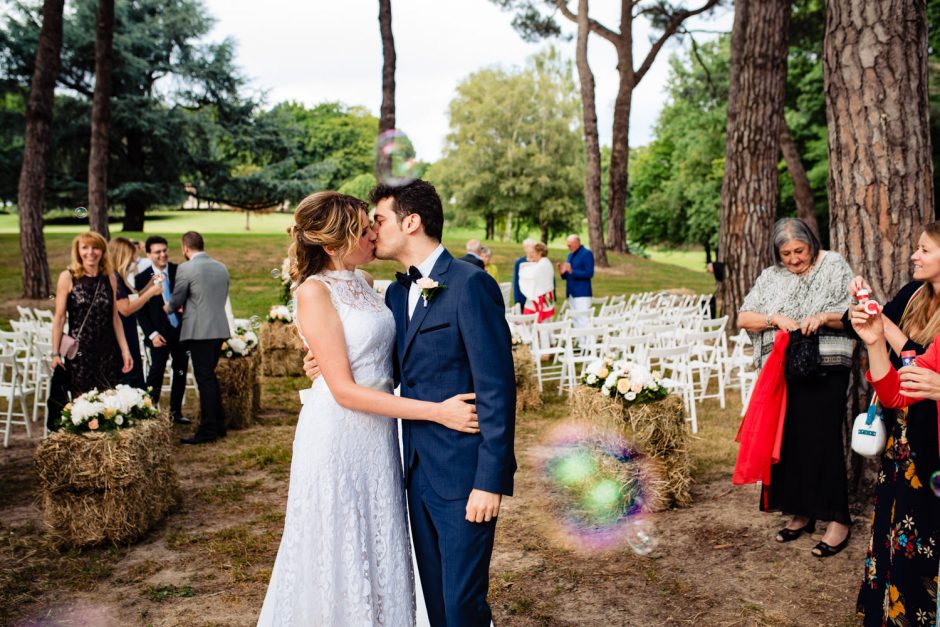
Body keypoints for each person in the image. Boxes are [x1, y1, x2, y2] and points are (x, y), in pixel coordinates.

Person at [257, 191, 484, 626]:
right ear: (332, 244)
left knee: (379, 537)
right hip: (338, 433)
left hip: (378, 436)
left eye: (373, 224)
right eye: (364, 229)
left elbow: (384, 356)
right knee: (341, 543)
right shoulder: (313, 292)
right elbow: (344, 390)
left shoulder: (365, 284)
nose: (373, 233)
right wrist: (436, 410)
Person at [302, 179, 516, 625]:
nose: (372, 231)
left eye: (378, 220)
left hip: (463, 474)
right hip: (411, 474)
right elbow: (391, 368)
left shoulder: (471, 285)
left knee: (462, 607)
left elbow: (497, 389)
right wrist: (327, 362)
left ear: (412, 222)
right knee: (434, 605)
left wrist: (490, 481)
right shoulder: (397, 294)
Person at [737, 217, 855, 557]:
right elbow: (745, 316)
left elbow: (852, 312)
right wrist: (775, 319)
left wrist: (824, 317)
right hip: (786, 369)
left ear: (812, 244)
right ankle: (802, 513)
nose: (793, 259)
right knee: (791, 442)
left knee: (824, 440)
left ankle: (838, 520)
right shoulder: (771, 277)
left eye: (799, 251)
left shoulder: (832, 265)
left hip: (828, 366)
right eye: (785, 253)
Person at [845, 223, 940, 626]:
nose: (914, 256)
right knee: (902, 533)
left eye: (924, 249)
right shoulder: (916, 296)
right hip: (909, 442)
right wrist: (873, 340)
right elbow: (898, 393)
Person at [48, 232, 134, 429]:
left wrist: (125, 350)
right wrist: (55, 353)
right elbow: (59, 317)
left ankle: (104, 449)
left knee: (107, 402)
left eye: (95, 247)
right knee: (83, 405)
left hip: (106, 351)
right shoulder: (68, 277)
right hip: (79, 353)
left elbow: (115, 318)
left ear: (102, 251)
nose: (90, 252)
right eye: (85, 248)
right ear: (78, 252)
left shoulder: (110, 278)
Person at [167, 231, 230, 444]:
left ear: (185, 248)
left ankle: (208, 429)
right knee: (209, 377)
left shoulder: (186, 268)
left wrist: (167, 307)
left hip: (199, 331)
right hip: (219, 329)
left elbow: (177, 300)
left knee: (204, 380)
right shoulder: (221, 267)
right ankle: (219, 423)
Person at [136, 235, 192, 425]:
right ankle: (149, 412)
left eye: (165, 250)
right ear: (148, 254)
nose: (162, 255)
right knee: (156, 371)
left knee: (181, 371)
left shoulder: (181, 271)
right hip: (158, 335)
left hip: (181, 332)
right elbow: (140, 312)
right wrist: (152, 334)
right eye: (157, 252)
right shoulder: (142, 279)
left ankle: (176, 412)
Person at [107, 237, 163, 389]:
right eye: (131, 256)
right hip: (122, 333)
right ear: (122, 256)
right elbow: (125, 309)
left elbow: (132, 299)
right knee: (129, 379)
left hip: (128, 332)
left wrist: (149, 285)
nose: (134, 260)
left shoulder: (120, 277)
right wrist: (150, 293)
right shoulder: (114, 278)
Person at [557, 234, 594, 328]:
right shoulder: (570, 255)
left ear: (577, 243)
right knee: (575, 319)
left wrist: (572, 271)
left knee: (583, 319)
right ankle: (581, 342)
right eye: (567, 245)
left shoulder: (586, 253)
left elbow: (589, 273)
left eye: (570, 245)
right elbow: (569, 273)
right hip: (571, 293)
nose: (568, 247)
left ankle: (588, 342)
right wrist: (563, 273)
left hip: (582, 293)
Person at [519, 242, 555, 323]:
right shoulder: (545, 263)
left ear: (540, 253)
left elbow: (526, 274)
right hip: (546, 299)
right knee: (544, 324)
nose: (532, 255)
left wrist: (526, 264)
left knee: (538, 325)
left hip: (540, 299)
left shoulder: (542, 265)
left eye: (534, 252)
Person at [512, 238, 536, 308]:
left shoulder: (538, 261)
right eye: (531, 247)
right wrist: (517, 300)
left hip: (535, 296)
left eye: (534, 247)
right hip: (522, 297)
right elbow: (516, 281)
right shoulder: (519, 262)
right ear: (525, 248)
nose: (533, 249)